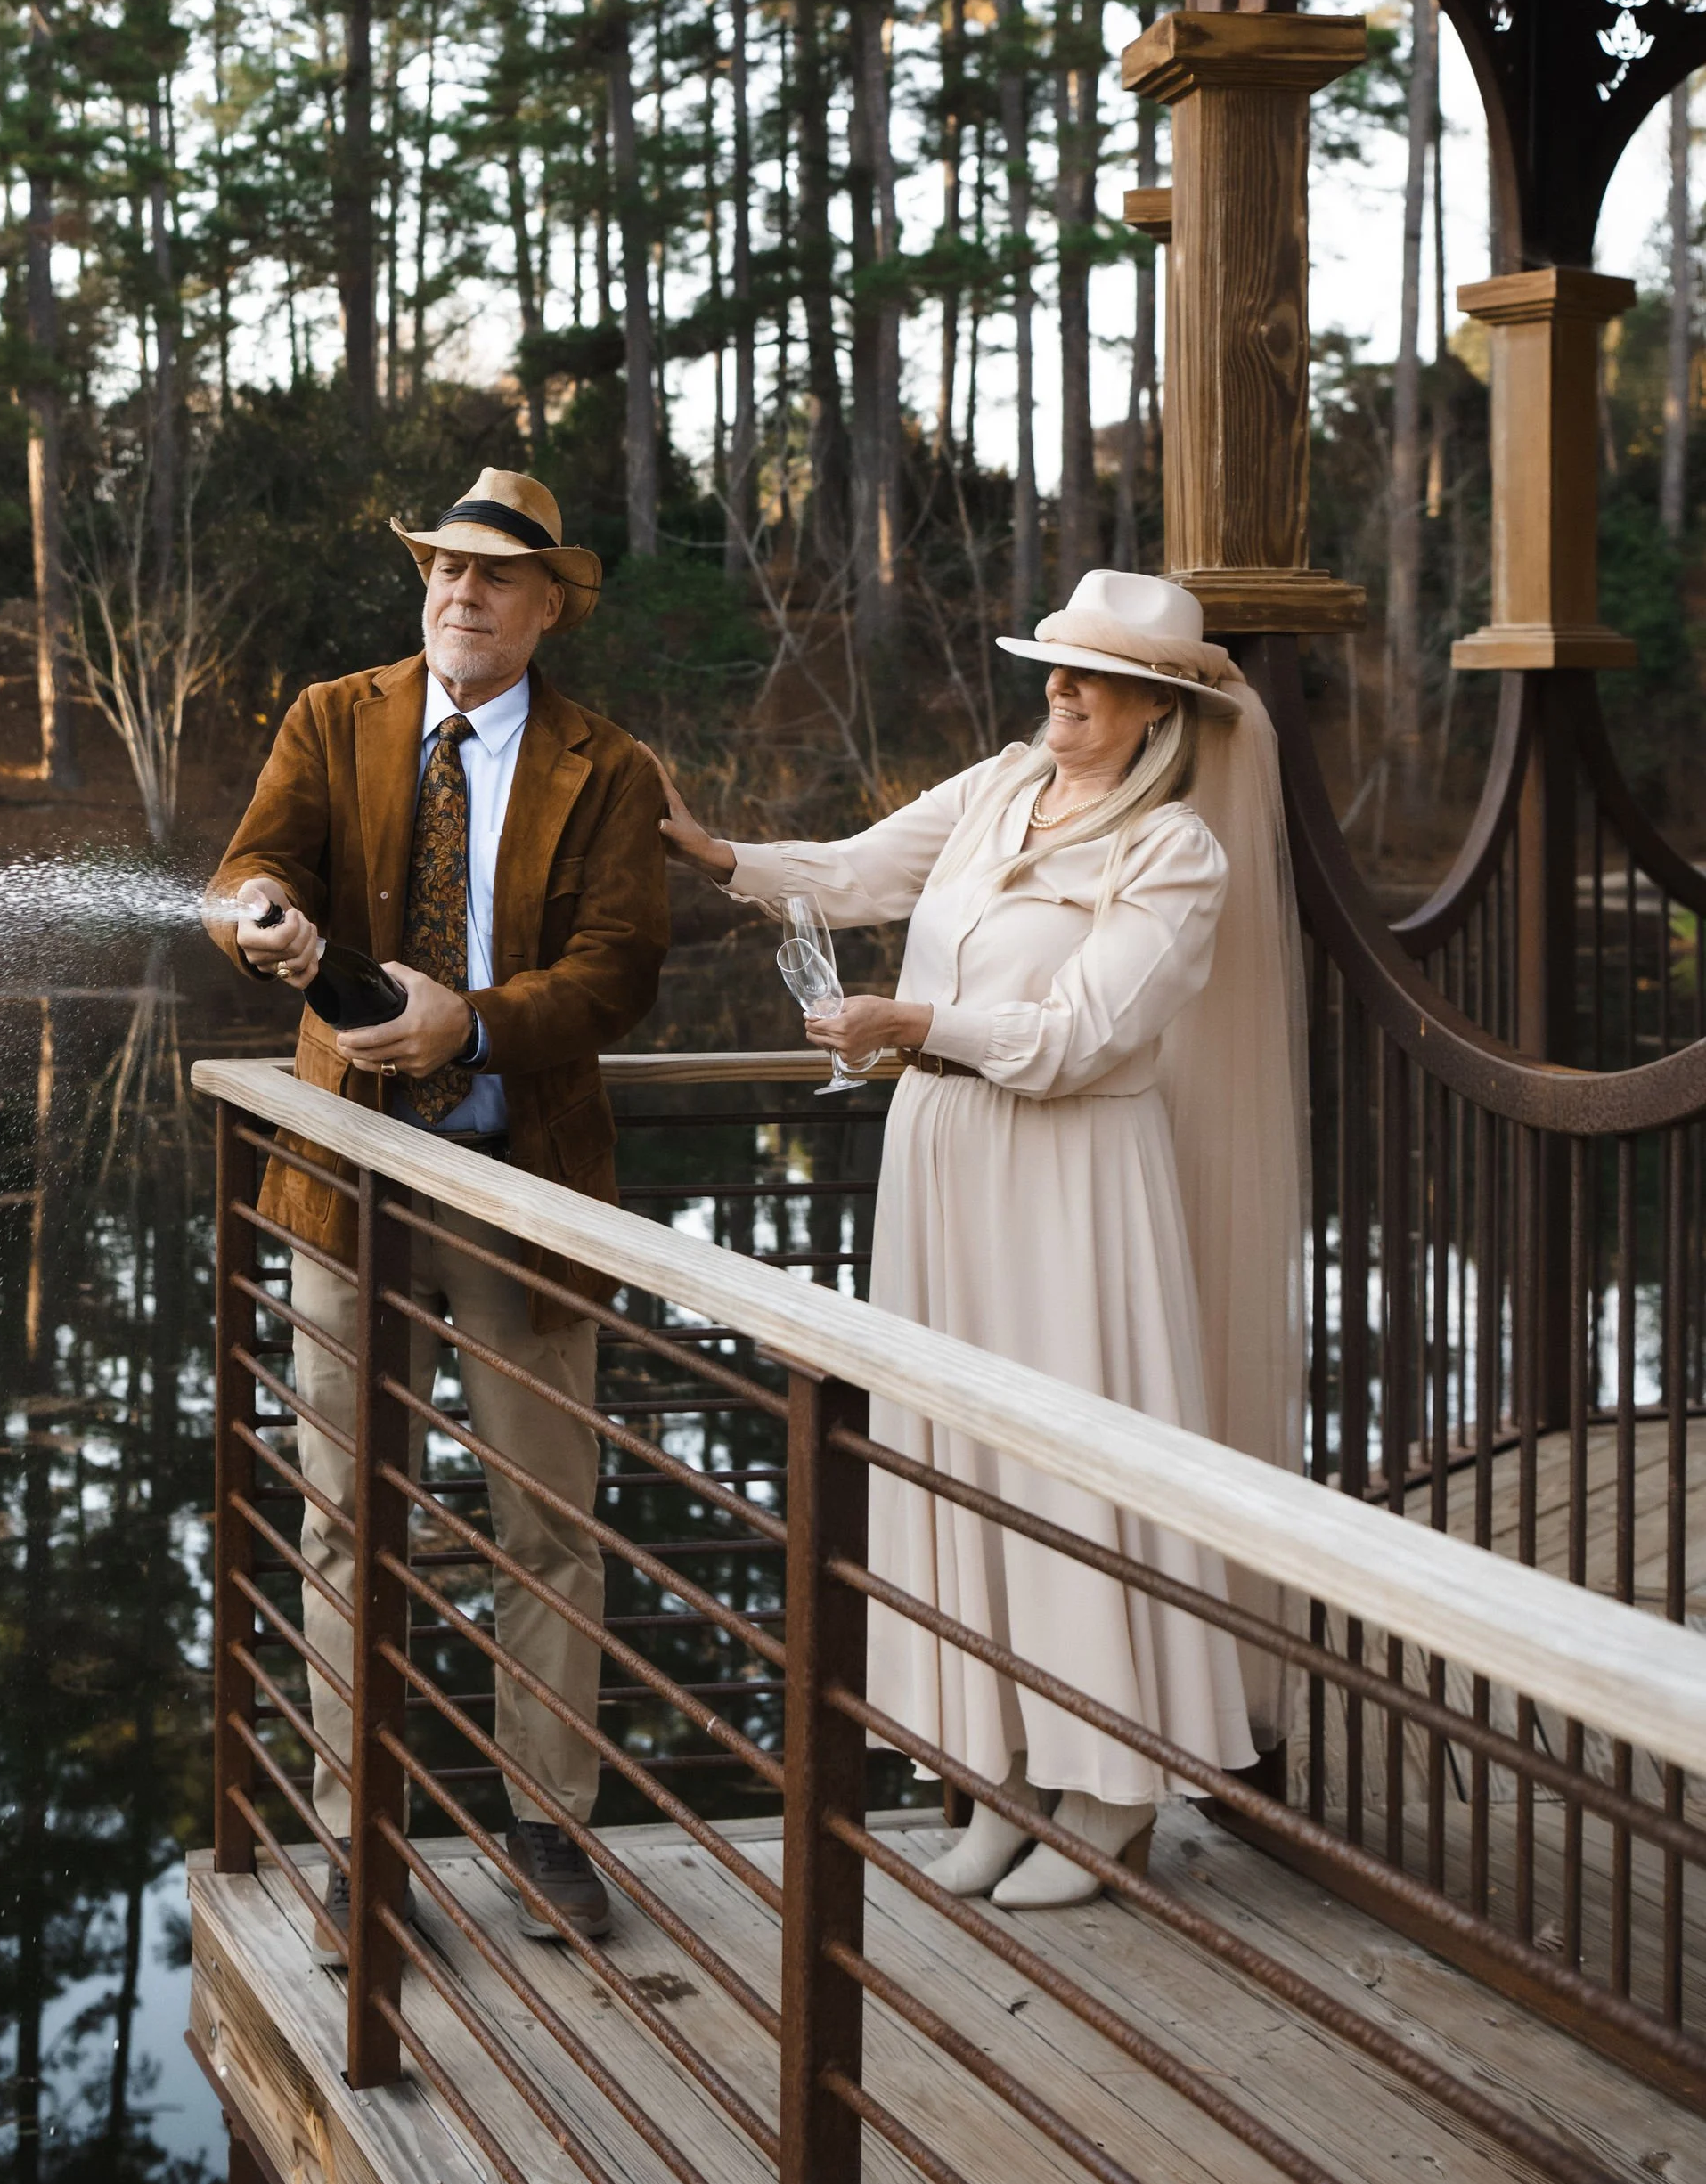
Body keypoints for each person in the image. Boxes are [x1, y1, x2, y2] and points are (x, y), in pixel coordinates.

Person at [653, 568, 1306, 1907]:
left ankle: (1112, 1788)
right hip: (942, 1159)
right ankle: (1005, 1770)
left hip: (1072, 1175)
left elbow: (1082, 1038)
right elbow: (849, 874)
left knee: (1070, 1465)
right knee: (959, 1462)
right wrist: (714, 854)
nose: (1056, 691)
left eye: (1089, 676)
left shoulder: (1173, 852)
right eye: (1052, 666)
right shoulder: (999, 786)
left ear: (1157, 706)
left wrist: (913, 1027)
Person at [207, 469, 670, 1952]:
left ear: (550, 607)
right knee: (344, 1516)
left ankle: (545, 1829)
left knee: (549, 1518)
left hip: (517, 1177)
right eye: (442, 571)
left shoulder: (609, 768)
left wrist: (465, 1026)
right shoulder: (332, 717)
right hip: (341, 1178)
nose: (459, 595)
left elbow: (617, 974)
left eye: (493, 578)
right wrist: (261, 913)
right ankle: (357, 1842)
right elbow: (252, 865)